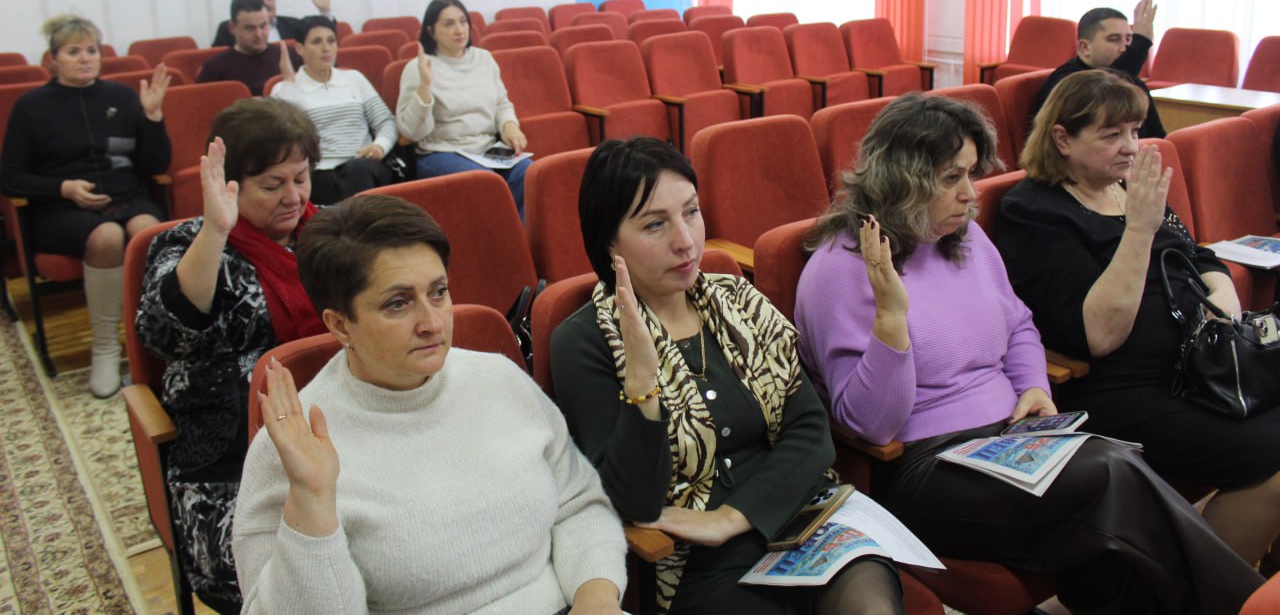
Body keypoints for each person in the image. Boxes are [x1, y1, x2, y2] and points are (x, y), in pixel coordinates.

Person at [796, 93, 1263, 614]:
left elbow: (1018, 323)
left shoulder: (963, 238)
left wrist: (1033, 386)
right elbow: (873, 425)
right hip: (925, 466)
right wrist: (891, 320)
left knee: (1115, 512)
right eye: (951, 178)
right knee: (1109, 475)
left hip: (1011, 438)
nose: (969, 193)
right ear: (902, 178)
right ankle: (1247, 605)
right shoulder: (841, 266)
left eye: (971, 174)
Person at [551, 138, 904, 615]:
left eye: (691, 212)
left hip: (798, 516)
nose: (685, 240)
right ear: (608, 241)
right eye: (655, 224)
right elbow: (632, 500)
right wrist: (644, 389)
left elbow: (809, 430)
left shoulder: (738, 299)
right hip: (696, 563)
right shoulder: (586, 341)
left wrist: (732, 517)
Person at [233, 194, 628, 613]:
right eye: (397, 304)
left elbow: (578, 504)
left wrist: (596, 599)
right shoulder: (295, 446)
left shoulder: (499, 379)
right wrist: (312, 501)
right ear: (340, 325)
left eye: (439, 292)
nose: (432, 322)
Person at [996, 68, 1280, 564]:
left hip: (1200, 368)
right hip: (1123, 389)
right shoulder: (1035, 212)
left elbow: (1199, 258)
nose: (1131, 147)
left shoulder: (1127, 188)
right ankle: (1206, 589)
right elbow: (1098, 335)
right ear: (1062, 139)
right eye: (1112, 135)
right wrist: (1139, 232)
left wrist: (1221, 304)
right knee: (1273, 457)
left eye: (1135, 130)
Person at [135, 97, 328, 613]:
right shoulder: (185, 245)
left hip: (338, 430)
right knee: (289, 579)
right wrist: (215, 232)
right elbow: (166, 336)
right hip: (232, 458)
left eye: (301, 178)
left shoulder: (332, 235)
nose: (293, 196)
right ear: (231, 186)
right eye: (272, 185)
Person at [1, 14, 171, 397]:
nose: (85, 58)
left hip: (126, 196)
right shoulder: (31, 106)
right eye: (73, 51)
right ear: (53, 59)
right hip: (60, 208)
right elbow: (10, 176)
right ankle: (106, 346)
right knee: (107, 236)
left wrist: (153, 117)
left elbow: (155, 166)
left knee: (147, 231)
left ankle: (150, 340)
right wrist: (64, 188)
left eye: (92, 50)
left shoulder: (122, 97)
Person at [396, 0, 531, 216]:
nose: (459, 30)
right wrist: (425, 88)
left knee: (529, 173)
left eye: (463, 21)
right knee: (485, 182)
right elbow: (412, 132)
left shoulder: (484, 59)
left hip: (485, 149)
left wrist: (509, 125)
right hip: (441, 152)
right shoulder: (417, 68)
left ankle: (519, 235)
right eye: (449, 24)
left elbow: (501, 103)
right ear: (431, 31)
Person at [270, 16, 398, 204]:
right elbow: (281, 137)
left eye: (331, 41)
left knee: (361, 172)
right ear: (299, 49)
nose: (326, 48)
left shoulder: (354, 79)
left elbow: (386, 121)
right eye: (316, 42)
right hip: (318, 172)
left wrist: (380, 146)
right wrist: (289, 85)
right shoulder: (285, 89)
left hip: (364, 164)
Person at [1029, 0, 1165, 138]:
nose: (1125, 48)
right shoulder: (1065, 80)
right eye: (1114, 39)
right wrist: (1140, 44)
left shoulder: (1133, 82)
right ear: (1085, 47)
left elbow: (1158, 137)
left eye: (1129, 39)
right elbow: (1100, 89)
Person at [198, 0, 303, 96]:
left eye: (263, 26)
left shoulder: (290, 56)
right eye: (250, 28)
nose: (259, 34)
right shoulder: (215, 68)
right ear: (232, 28)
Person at [211, 0, 331, 46]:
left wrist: (324, 12)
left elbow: (324, 40)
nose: (266, 3)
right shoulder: (226, 29)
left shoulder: (293, 24)